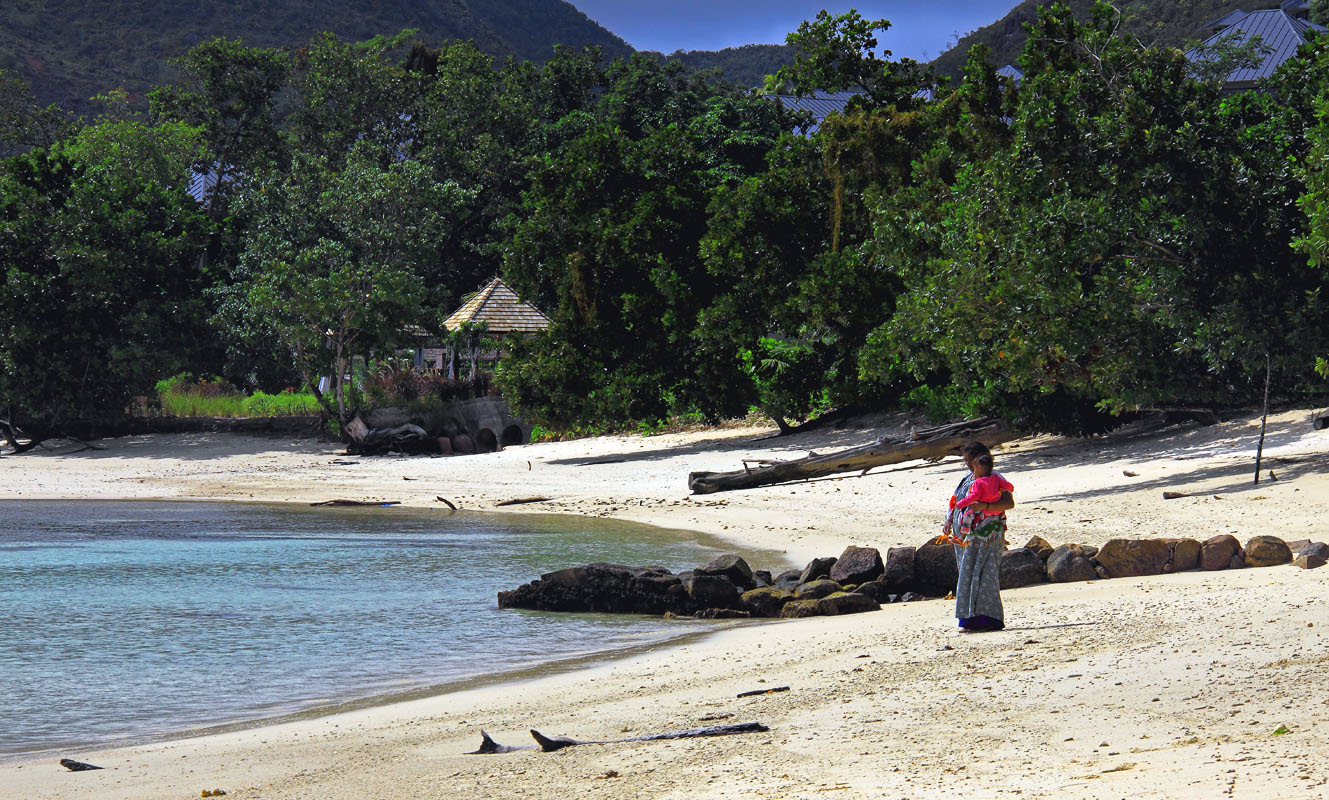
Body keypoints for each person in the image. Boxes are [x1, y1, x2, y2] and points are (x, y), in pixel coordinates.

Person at [942, 442, 1014, 633]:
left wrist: (985, 507)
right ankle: (969, 620)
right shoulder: (967, 479)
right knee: (967, 575)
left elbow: (1008, 502)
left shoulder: (995, 478)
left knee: (985, 575)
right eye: (965, 460)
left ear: (980, 458)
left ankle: (989, 620)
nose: (966, 464)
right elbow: (955, 501)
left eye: (969, 460)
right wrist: (948, 521)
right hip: (966, 539)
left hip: (988, 535)